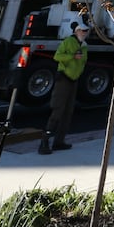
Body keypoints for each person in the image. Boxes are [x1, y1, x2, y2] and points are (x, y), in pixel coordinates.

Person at [38, 20, 89, 155]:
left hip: (74, 80)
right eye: (82, 31)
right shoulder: (68, 42)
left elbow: (83, 62)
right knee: (57, 111)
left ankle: (59, 141)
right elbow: (57, 56)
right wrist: (72, 56)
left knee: (68, 112)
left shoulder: (84, 46)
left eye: (86, 31)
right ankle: (44, 141)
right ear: (76, 31)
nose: (84, 33)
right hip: (64, 79)